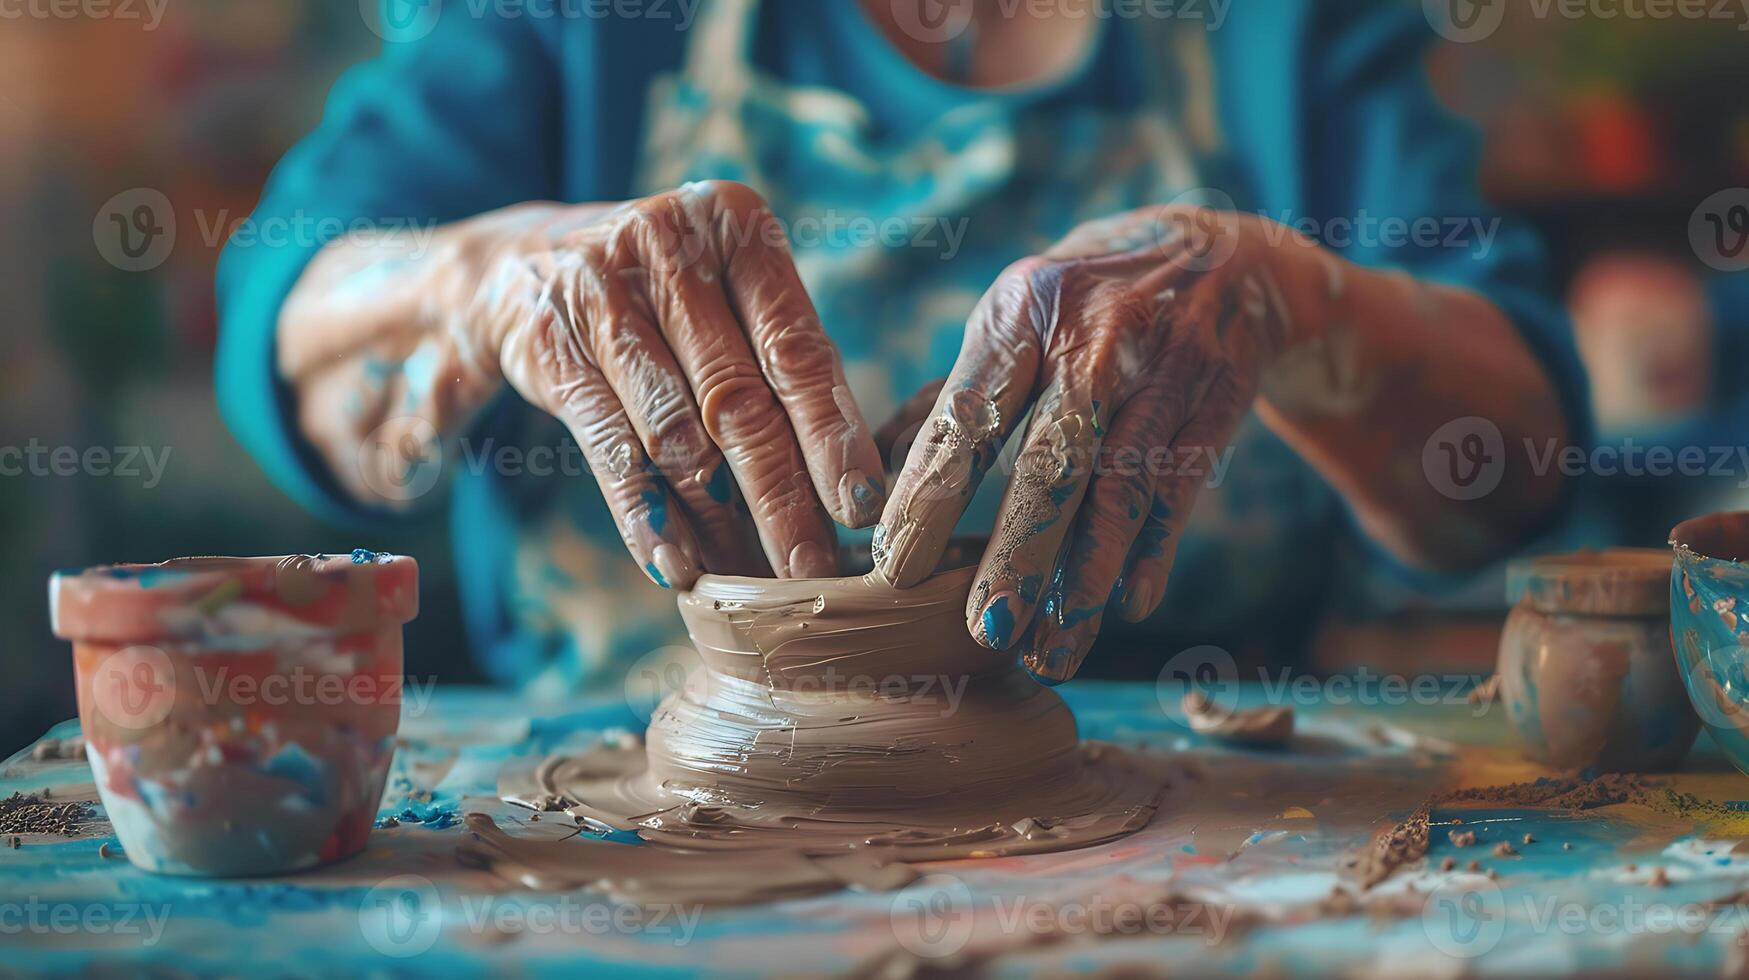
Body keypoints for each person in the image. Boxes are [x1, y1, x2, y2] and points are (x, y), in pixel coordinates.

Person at [216, 0, 1586, 694]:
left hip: (1186, 822)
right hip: (627, 830)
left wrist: (1298, 302)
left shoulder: (1275, 30)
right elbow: (288, 320)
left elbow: (1509, 465)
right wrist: (474, 275)